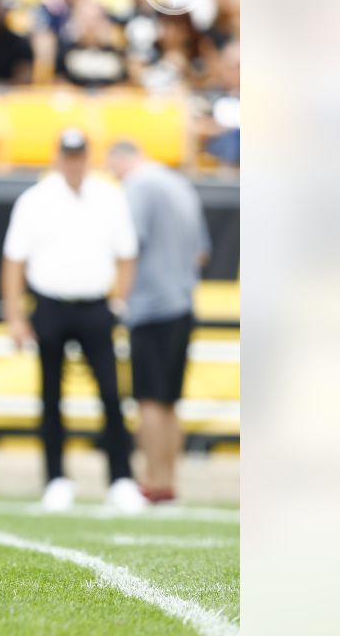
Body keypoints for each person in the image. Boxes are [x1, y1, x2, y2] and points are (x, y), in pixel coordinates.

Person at [1, 128, 145, 512]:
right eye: (68, 154)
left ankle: (121, 478)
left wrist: (119, 303)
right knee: (51, 396)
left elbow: (127, 254)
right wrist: (14, 315)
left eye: (79, 154)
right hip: (49, 304)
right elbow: (14, 259)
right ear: (58, 156)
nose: (73, 162)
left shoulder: (109, 197)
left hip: (96, 306)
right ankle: (56, 478)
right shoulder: (35, 199)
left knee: (112, 395)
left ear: (88, 156)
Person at [108, 141, 210, 504]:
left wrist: (120, 297)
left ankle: (151, 478)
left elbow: (128, 245)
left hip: (151, 305)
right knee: (169, 401)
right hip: (182, 301)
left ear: (122, 160)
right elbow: (201, 252)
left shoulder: (139, 187)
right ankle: (168, 480)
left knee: (149, 399)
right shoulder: (180, 184)